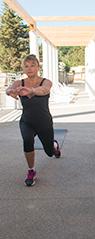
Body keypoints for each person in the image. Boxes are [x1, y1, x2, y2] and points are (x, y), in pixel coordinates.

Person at [6, 54, 61, 187]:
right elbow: (9, 90)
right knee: (27, 140)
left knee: (49, 153)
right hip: (27, 121)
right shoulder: (20, 82)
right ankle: (31, 170)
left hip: (44, 122)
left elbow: (44, 90)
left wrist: (30, 90)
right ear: (23, 68)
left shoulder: (46, 82)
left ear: (38, 67)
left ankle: (53, 146)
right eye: (26, 66)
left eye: (32, 65)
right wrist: (12, 91)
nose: (29, 68)